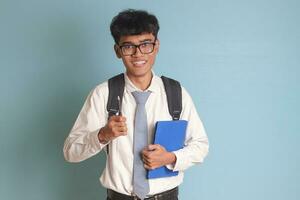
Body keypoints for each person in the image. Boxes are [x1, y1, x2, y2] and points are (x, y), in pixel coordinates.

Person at [63, 9, 209, 200]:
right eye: (128, 47)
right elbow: (70, 152)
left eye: (145, 44)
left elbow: (201, 146)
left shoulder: (176, 92)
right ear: (118, 51)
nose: (138, 54)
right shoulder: (103, 94)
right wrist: (102, 135)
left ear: (156, 46)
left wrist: (170, 158)